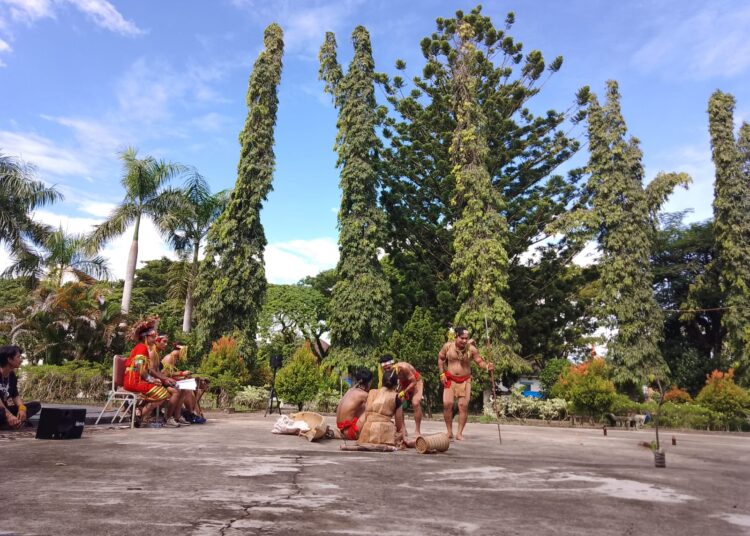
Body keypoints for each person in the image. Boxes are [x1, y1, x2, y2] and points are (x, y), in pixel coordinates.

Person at [437, 327, 494, 441]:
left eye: (466, 338)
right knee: (447, 404)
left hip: (465, 380)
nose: (464, 340)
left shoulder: (471, 349)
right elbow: (441, 358)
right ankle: (449, 432)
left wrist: (487, 366)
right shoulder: (448, 346)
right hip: (450, 379)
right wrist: (441, 374)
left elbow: (479, 361)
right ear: (456, 337)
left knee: (463, 406)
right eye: (461, 338)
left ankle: (459, 433)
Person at [124, 318, 180, 428]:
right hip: (133, 381)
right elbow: (140, 368)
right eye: (153, 337)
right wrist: (151, 379)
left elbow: (144, 369)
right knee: (163, 393)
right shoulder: (141, 348)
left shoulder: (143, 348)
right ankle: (139, 412)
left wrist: (157, 379)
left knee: (163, 392)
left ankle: (139, 412)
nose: (155, 339)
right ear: (145, 337)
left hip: (136, 379)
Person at [153, 335, 205, 424]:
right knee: (184, 388)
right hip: (162, 382)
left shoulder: (174, 358)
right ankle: (182, 415)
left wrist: (183, 375)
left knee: (187, 388)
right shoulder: (170, 358)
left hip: (166, 381)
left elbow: (169, 374)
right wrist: (182, 374)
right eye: (185, 352)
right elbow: (165, 374)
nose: (185, 355)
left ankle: (178, 416)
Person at [357, 370, 406, 448]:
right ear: (396, 384)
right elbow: (399, 425)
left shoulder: (371, 392)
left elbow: (366, 415)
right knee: (402, 435)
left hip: (366, 434)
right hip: (386, 436)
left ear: (382, 382)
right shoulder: (396, 397)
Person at [379, 354, 424, 436]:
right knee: (397, 403)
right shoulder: (386, 372)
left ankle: (417, 430)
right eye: (385, 369)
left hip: (416, 381)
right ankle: (403, 429)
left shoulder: (403, 367)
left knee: (415, 403)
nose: (387, 370)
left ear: (392, 364)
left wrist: (404, 392)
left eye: (388, 368)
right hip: (404, 384)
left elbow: (413, 382)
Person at [0, 345, 41, 430]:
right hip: (1, 410)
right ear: (9, 359)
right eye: (18, 357)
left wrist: (22, 408)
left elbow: (15, 395)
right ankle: (11, 422)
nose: (21, 360)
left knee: (35, 405)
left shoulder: (11, 375)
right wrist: (9, 415)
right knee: (2, 413)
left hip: (5, 409)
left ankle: (13, 422)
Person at [335, 368, 372, 440]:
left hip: (342, 429)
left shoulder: (350, 390)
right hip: (350, 432)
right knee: (371, 409)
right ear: (369, 382)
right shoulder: (364, 395)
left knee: (363, 406)